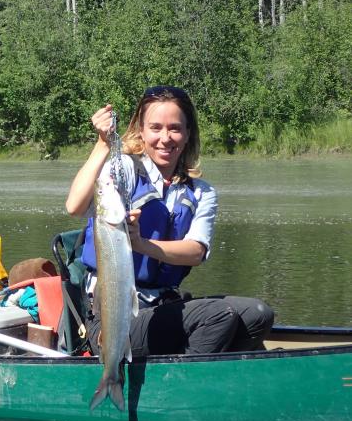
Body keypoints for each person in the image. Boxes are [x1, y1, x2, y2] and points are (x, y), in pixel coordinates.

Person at [66, 86, 274, 357]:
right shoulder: (126, 168)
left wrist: (141, 244)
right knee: (219, 316)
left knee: (258, 315)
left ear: (188, 134)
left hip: (163, 307)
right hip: (111, 320)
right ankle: (185, 382)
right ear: (141, 131)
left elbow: (196, 252)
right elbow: (75, 205)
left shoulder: (202, 191)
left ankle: (196, 363)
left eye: (175, 128)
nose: (165, 138)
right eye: (155, 128)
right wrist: (103, 144)